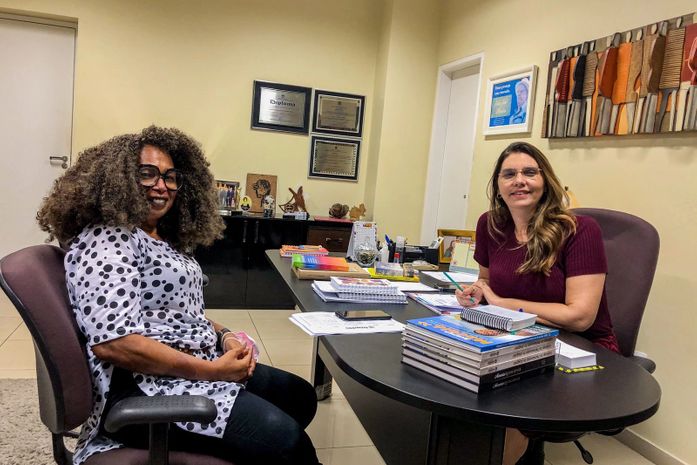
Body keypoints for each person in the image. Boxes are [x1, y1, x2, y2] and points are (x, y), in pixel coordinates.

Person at [37, 126, 320, 465]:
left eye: (170, 177)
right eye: (147, 174)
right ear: (117, 179)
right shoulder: (109, 239)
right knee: (287, 441)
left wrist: (225, 337)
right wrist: (213, 371)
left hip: (192, 363)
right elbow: (115, 343)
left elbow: (178, 313)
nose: (162, 186)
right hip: (147, 387)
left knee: (300, 398)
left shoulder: (155, 237)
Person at [455, 141, 619, 465]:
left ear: (546, 181)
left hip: (580, 346)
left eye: (530, 172)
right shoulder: (490, 224)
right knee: (453, 372)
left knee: (506, 395)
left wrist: (505, 303)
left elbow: (581, 317)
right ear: (498, 186)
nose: (520, 180)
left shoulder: (578, 229)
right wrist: (476, 291)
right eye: (509, 174)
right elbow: (486, 281)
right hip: (517, 334)